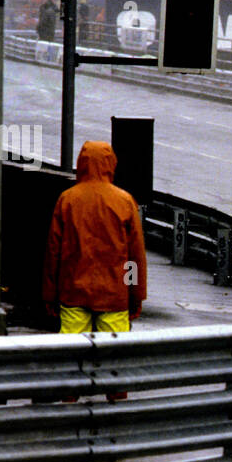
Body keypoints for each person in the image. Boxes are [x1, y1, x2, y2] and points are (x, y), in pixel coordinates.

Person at [43, 140, 147, 344]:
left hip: (73, 291)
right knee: (113, 355)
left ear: (81, 163)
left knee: (70, 352)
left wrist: (50, 293)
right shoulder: (124, 201)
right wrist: (134, 293)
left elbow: (53, 252)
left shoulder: (67, 199)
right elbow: (134, 256)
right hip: (114, 295)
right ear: (111, 164)